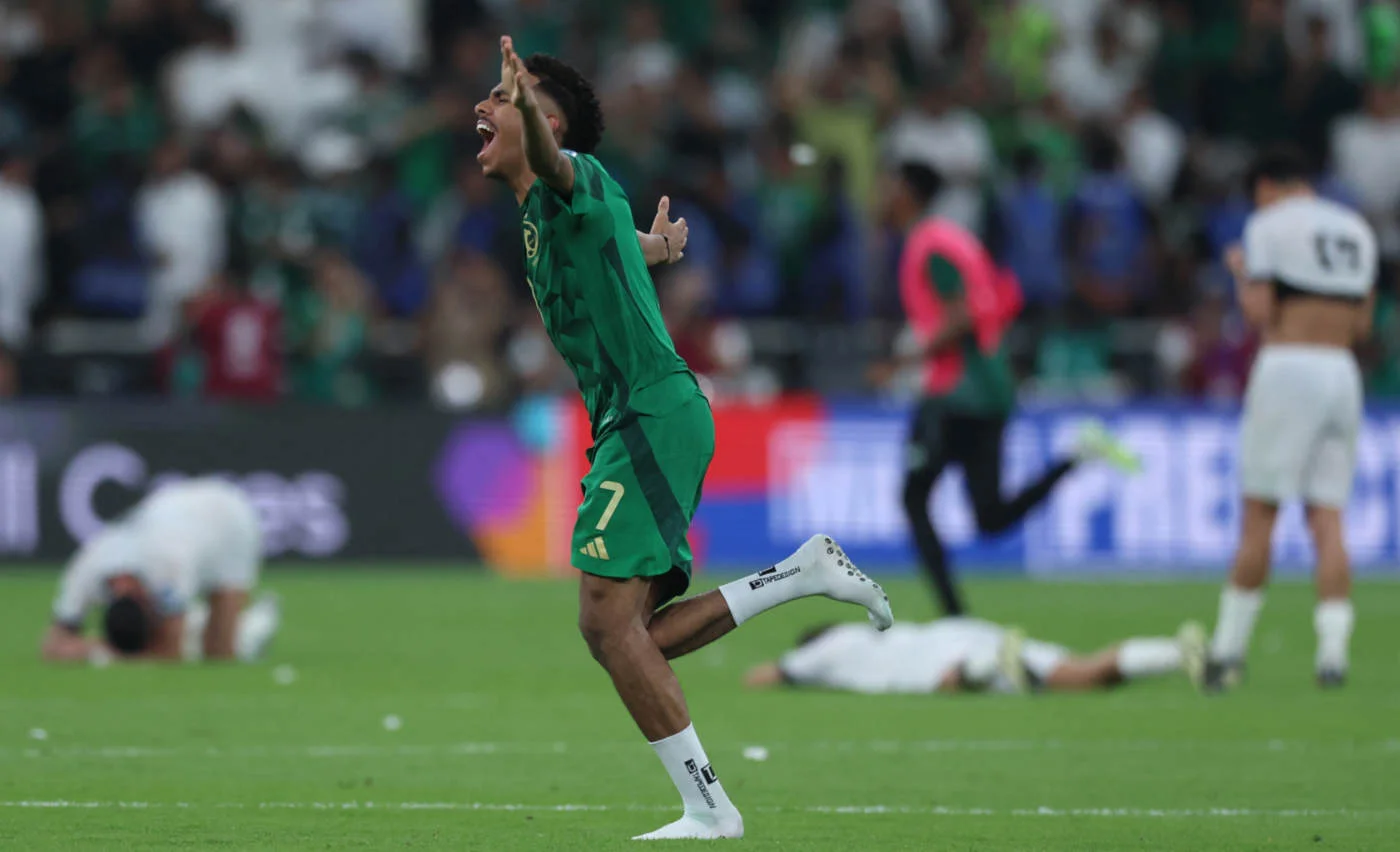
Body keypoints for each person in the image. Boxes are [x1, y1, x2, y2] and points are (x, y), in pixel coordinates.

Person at [475, 37, 893, 841]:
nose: (482, 109)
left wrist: (525, 96)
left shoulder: (574, 177)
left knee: (603, 622)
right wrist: (657, 248)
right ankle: (800, 574)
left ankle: (710, 809)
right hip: (634, 423)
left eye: (501, 98)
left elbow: (566, 173)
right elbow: (607, 242)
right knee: (626, 633)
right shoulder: (547, 214)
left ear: (544, 121)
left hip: (650, 414)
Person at [877, 162, 1140, 617]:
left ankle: (954, 616)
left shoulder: (928, 244)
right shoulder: (955, 239)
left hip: (955, 392)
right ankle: (1077, 455)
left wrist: (903, 361)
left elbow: (959, 316)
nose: (880, 193)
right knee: (989, 516)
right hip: (992, 388)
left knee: (914, 498)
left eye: (887, 184)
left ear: (906, 191)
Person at [1206, 148, 1378, 691]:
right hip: (1341, 372)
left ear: (1266, 187)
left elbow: (1259, 314)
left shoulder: (1268, 224)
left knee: (1260, 514)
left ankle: (1227, 652)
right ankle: (1332, 654)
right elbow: (1364, 324)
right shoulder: (1356, 228)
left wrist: (1240, 274)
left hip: (1288, 365)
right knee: (1328, 517)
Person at [39, 478, 280, 665]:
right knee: (208, 648)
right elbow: (52, 644)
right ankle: (252, 627)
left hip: (228, 518)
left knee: (219, 653)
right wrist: (106, 650)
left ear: (147, 603)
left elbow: (171, 651)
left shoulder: (167, 563)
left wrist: (106, 656)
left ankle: (253, 630)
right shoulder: (84, 570)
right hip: (179, 518)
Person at [745, 617, 1207, 695]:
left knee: (950, 683)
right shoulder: (871, 634)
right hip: (964, 631)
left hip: (944, 660)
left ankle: (986, 669)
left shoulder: (828, 649)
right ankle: (1177, 651)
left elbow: (772, 674)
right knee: (1083, 673)